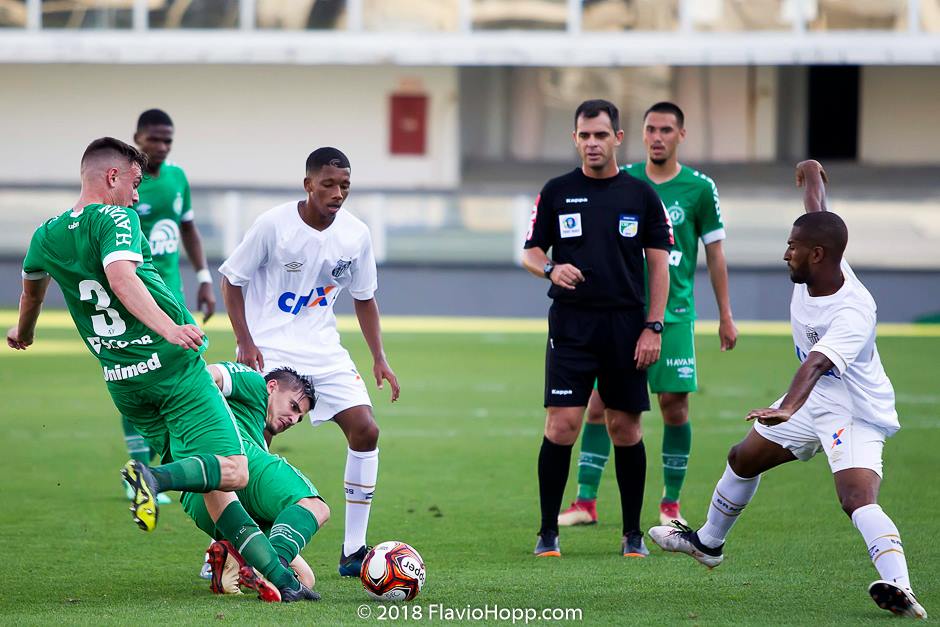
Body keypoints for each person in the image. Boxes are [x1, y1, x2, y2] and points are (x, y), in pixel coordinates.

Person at [7, 137, 316, 602]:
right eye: (133, 183)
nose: (136, 196)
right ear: (112, 177)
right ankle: (151, 478)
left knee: (216, 488)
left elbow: (31, 291)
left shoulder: (45, 234)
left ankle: (286, 584)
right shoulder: (114, 216)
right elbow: (121, 276)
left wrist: (23, 331)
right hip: (172, 370)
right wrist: (170, 328)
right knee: (232, 471)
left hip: (124, 383)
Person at [648, 160, 927, 620]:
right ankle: (708, 543)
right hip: (811, 400)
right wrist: (813, 173)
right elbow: (818, 209)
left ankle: (899, 586)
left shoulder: (854, 310)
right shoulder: (820, 261)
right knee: (743, 458)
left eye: (792, 247)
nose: (785, 254)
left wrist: (787, 407)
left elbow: (817, 363)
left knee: (855, 498)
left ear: (817, 254)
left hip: (853, 411)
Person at [219, 146, 400, 577]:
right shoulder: (273, 226)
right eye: (329, 185)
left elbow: (364, 297)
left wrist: (379, 357)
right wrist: (245, 341)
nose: (338, 193)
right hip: (269, 347)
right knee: (247, 448)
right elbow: (232, 279)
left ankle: (354, 550)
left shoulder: (356, 234)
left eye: (345, 186)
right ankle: (226, 548)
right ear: (308, 185)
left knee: (366, 428)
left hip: (323, 350)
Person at [559, 101, 737, 528]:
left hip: (673, 315)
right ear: (639, 134)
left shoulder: (698, 188)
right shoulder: (625, 181)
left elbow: (714, 254)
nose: (657, 137)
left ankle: (671, 505)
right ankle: (585, 502)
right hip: (622, 314)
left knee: (674, 407)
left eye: (666, 130)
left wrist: (725, 314)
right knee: (599, 405)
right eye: (651, 130)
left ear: (681, 135)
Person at [522, 99, 672, 558]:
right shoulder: (556, 191)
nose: (592, 144)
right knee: (562, 424)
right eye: (584, 136)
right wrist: (551, 269)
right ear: (575, 139)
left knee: (625, 428)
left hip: (627, 326)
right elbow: (530, 252)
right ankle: (548, 532)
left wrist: (654, 327)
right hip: (571, 325)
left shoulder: (641, 195)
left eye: (601, 135)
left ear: (618, 139)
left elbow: (659, 266)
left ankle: (631, 535)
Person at [120, 108, 216, 503]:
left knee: (184, 365)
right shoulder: (126, 183)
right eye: (153, 139)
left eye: (167, 140)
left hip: (171, 293)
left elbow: (188, 229)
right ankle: (138, 470)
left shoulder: (177, 179)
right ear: (137, 138)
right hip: (135, 295)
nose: (160, 147)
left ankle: (168, 464)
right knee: (135, 373)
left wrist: (205, 277)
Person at [183, 363, 328, 601]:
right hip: (229, 461)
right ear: (272, 387)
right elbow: (205, 375)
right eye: (293, 406)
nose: (293, 419)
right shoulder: (255, 384)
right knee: (316, 506)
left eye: (299, 417)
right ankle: (270, 569)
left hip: (202, 500)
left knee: (305, 578)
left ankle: (232, 559)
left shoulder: (255, 431)